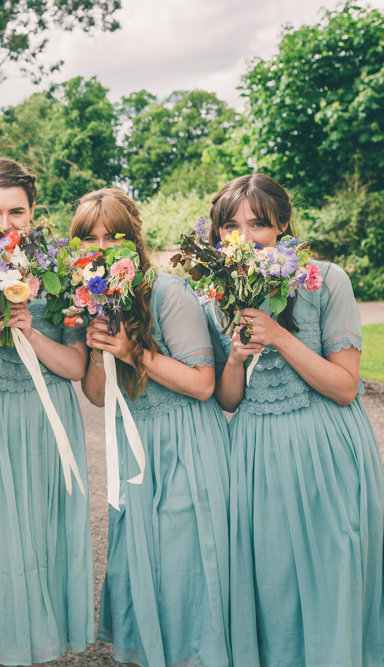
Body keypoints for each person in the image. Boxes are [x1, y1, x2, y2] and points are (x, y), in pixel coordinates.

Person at [210, 173, 384, 666]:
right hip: (255, 453)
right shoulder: (217, 293)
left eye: (258, 224)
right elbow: (228, 400)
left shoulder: (326, 279)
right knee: (273, 584)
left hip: (325, 446)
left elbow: (345, 387)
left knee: (334, 569)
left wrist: (280, 337)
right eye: (231, 226)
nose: (245, 236)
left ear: (283, 225)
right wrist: (235, 358)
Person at [75, 188, 232, 667]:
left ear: (134, 239)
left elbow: (203, 385)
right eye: (90, 239)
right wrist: (100, 349)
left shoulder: (169, 292)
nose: (102, 248)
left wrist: (131, 351)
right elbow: (97, 395)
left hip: (185, 442)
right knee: (144, 564)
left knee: (186, 566)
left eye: (113, 237)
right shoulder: (93, 299)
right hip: (135, 445)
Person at [0, 157, 94, 665]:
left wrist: (29, 329)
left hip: (42, 420)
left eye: (16, 212)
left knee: (36, 534)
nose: (5, 223)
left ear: (33, 212)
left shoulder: (61, 271)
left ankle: (34, 645)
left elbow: (75, 366)